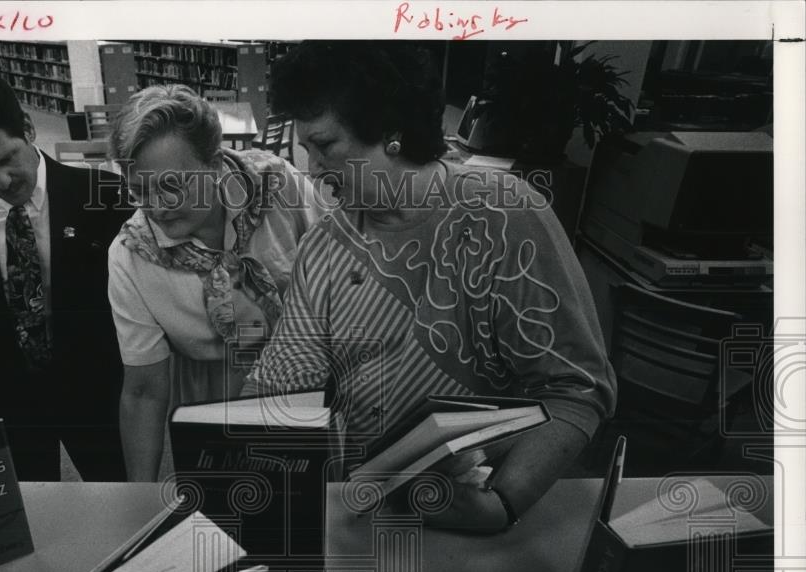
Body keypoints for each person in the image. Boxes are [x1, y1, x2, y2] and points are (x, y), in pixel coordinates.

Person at [244, 41, 617, 532]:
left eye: (324, 145)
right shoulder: (325, 245)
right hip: (358, 511)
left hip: (482, 508)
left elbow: (578, 388)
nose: (311, 169)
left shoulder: (505, 214)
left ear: (390, 133)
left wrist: (500, 506)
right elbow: (284, 384)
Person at [106, 85, 322, 481]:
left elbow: (340, 276)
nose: (156, 208)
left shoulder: (280, 186)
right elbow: (144, 391)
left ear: (215, 164)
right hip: (215, 399)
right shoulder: (130, 255)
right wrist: (140, 497)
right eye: (139, 191)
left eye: (172, 186)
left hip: (313, 380)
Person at [0, 69, 129, 481]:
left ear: (29, 130)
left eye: (6, 159)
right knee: (32, 503)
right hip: (10, 388)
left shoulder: (105, 195)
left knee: (115, 489)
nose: (0, 181)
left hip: (94, 383)